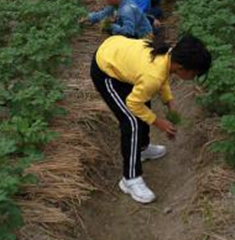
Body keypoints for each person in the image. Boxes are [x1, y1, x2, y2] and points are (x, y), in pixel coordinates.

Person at [90, 34, 212, 203]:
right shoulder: (152, 76)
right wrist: (159, 122)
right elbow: (134, 103)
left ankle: (141, 148)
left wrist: (169, 103)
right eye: (194, 74)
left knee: (144, 101)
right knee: (131, 121)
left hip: (117, 54)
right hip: (105, 69)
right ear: (182, 68)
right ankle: (130, 179)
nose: (193, 78)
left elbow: (161, 78)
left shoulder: (168, 55)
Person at [83, 0, 152, 39]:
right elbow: (103, 14)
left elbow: (128, 32)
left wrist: (111, 26)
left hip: (142, 38)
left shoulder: (126, 10)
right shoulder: (118, 1)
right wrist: (88, 17)